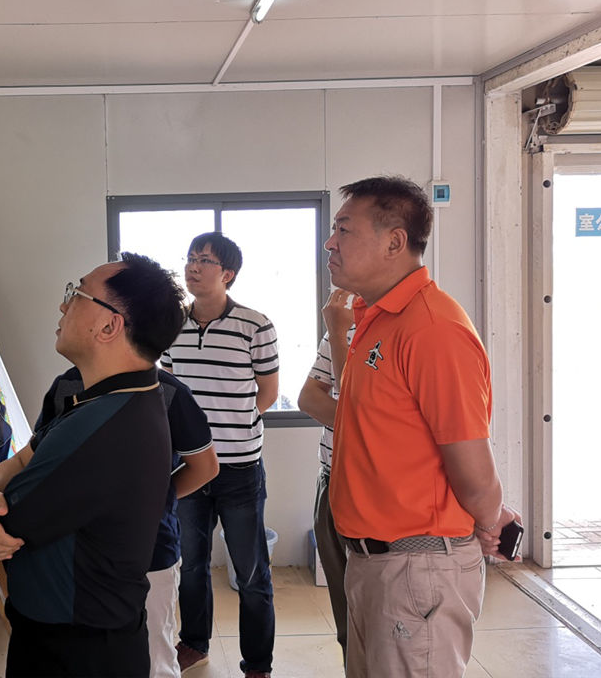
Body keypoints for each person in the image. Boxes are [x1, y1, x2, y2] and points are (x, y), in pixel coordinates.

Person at [325, 176, 521, 678]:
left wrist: (490, 519)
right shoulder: (376, 318)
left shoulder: (433, 328)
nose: (330, 243)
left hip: (417, 571)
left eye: (344, 229)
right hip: (375, 564)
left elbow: (472, 465)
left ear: (395, 242)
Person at [0, 253, 187, 677]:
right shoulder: (115, 398)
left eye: (77, 294)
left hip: (76, 652)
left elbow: (3, 524)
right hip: (90, 637)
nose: (63, 305)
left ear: (109, 326)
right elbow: (25, 456)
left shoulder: (104, 429)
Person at [35, 366, 218, 678]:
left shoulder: (168, 390)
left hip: (150, 553)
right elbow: (42, 458)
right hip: (79, 552)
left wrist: (153, 499)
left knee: (153, 656)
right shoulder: (66, 385)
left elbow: (205, 467)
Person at [161, 232, 279, 678]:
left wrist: (231, 428)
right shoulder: (172, 326)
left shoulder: (255, 325)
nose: (193, 266)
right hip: (189, 466)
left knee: (251, 572)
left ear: (227, 274)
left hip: (240, 469)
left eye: (204, 260)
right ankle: (195, 643)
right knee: (191, 564)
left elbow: (267, 393)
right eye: (190, 258)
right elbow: (168, 392)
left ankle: (258, 664)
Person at [296, 288, 356, 661]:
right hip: (330, 476)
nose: (332, 258)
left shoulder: (409, 327)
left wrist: (337, 334)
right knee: (344, 609)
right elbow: (308, 398)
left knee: (380, 612)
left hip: (374, 487)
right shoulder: (342, 322)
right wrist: (361, 422)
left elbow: (364, 407)